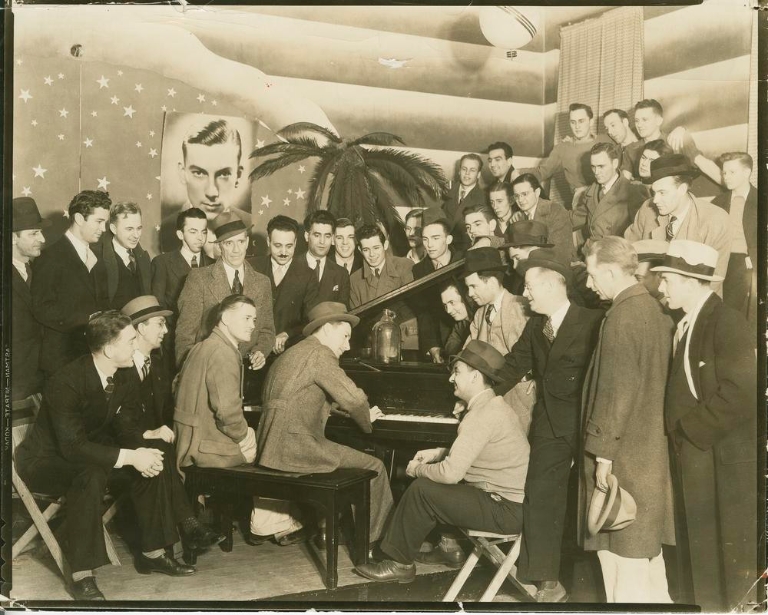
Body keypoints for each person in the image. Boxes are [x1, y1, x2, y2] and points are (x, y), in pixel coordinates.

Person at [15, 311, 221, 600]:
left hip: (88, 453)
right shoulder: (66, 381)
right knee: (90, 473)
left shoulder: (122, 375)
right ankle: (82, 574)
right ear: (110, 349)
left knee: (153, 454)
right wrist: (129, 456)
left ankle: (153, 551)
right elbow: (72, 448)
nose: (135, 346)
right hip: (45, 462)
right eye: (131, 341)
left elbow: (124, 428)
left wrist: (143, 447)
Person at [354, 341, 530, 583]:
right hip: (510, 505)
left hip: (505, 510)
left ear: (475, 376)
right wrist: (439, 452)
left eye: (457, 371)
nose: (451, 379)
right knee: (434, 486)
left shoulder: (481, 415)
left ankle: (399, 564)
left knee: (422, 490)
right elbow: (479, 454)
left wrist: (418, 469)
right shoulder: (494, 406)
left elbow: (449, 475)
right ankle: (446, 548)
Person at [653, 240, 757, 611]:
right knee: (700, 557)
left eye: (665, 279)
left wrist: (687, 431)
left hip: (719, 463)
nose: (660, 287)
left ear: (691, 280)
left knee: (724, 561)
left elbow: (742, 393)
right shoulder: (684, 323)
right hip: (696, 459)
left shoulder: (727, 321)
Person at [495, 250, 603, 603]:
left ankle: (595, 581)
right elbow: (511, 366)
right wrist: (477, 394)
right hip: (550, 425)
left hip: (586, 423)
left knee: (590, 500)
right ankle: (547, 581)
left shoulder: (593, 321)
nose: (525, 295)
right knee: (540, 494)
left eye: (529, 287)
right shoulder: (534, 327)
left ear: (553, 285)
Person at [579, 237, 675, 603]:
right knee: (649, 565)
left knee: (621, 565)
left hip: (623, 460)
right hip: (647, 455)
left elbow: (616, 393)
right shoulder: (652, 310)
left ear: (607, 271)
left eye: (591, 275)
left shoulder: (621, 316)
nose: (590, 284)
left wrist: (603, 457)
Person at [255, 302, 394, 547]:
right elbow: (355, 398)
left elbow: (298, 396)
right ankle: (377, 544)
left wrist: (341, 411)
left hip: (270, 444)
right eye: (345, 336)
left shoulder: (294, 351)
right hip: (295, 446)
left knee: (343, 456)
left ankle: (334, 529)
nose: (348, 345)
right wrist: (366, 423)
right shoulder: (321, 353)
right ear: (328, 329)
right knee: (375, 467)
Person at [174, 295, 305, 546]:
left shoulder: (202, 346)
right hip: (203, 449)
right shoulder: (223, 353)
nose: (253, 325)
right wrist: (245, 436)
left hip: (189, 440)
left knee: (259, 438)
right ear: (224, 318)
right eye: (246, 318)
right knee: (272, 448)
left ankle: (274, 521)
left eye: (254, 319)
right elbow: (226, 412)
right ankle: (268, 523)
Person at [175, 211, 275, 367]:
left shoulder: (263, 282)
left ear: (247, 242)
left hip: (249, 373)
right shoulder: (199, 279)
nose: (236, 250)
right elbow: (185, 336)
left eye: (240, 242)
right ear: (219, 246)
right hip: (209, 368)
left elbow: (267, 331)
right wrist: (189, 373)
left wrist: (260, 352)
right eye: (229, 243)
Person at [624, 154, 731, 295]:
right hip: (647, 297)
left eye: (662, 193)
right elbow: (626, 256)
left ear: (682, 189)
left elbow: (712, 282)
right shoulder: (647, 209)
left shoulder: (715, 220)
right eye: (654, 192)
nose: (655, 200)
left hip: (692, 304)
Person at [32, 190, 110, 376]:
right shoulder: (51, 257)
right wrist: (87, 320)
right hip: (61, 360)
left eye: (105, 222)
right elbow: (41, 308)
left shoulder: (96, 258)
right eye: (99, 221)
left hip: (90, 357)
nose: (104, 228)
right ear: (79, 219)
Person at [462, 248, 534, 434]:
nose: (469, 293)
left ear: (492, 281)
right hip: (489, 402)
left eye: (473, 286)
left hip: (520, 400)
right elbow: (467, 356)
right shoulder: (479, 315)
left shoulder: (521, 307)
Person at [160, 118, 253, 253]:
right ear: (182, 173)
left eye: (223, 174)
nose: (212, 192)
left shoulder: (251, 226)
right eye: (199, 173)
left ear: (238, 175)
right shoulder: (164, 231)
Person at [250, 215, 319, 354]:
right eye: (278, 246)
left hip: (288, 351)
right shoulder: (252, 267)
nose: (283, 252)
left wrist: (287, 334)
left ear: (295, 242)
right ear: (269, 241)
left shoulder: (308, 275)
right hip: (252, 349)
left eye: (289, 246)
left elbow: (310, 319)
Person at [522, 103, 605, 206]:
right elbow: (542, 172)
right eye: (573, 122)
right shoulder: (562, 148)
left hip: (609, 197)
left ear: (591, 121)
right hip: (583, 202)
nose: (577, 126)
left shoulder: (605, 140)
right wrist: (517, 172)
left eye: (581, 121)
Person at [620, 99, 720, 185]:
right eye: (637, 120)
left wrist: (731, 185)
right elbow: (624, 182)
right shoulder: (631, 149)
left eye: (644, 120)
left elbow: (704, 164)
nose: (639, 125)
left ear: (659, 121)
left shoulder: (676, 139)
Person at [570, 143, 646, 247]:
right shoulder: (590, 193)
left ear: (615, 163)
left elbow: (638, 234)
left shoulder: (632, 191)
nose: (596, 172)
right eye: (593, 167)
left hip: (614, 255)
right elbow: (574, 219)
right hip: (590, 251)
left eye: (601, 166)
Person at [412, 208, 462, 363]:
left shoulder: (463, 261)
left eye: (435, 238)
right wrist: (432, 346)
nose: (429, 245)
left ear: (448, 239)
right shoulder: (419, 270)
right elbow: (423, 312)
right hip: (437, 342)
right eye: (425, 239)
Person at [11, 197, 49, 401]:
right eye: (34, 233)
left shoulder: (37, 271)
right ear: (12, 238)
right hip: (14, 384)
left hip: (39, 381)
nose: (42, 239)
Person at [712, 152, 757, 321]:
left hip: (747, 262)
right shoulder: (718, 202)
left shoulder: (761, 200)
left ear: (747, 173)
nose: (726, 177)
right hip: (721, 259)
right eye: (724, 173)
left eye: (732, 172)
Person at [120, 295, 175, 430]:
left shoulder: (158, 366)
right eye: (160, 324)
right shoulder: (118, 368)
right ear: (141, 328)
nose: (166, 330)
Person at [151, 207, 214, 312]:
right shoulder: (162, 263)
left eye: (203, 232)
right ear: (180, 235)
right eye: (193, 232)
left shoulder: (213, 264)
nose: (200, 238)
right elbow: (158, 306)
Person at [93, 201, 152, 310]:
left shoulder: (144, 258)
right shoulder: (96, 258)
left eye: (139, 228)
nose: (136, 235)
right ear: (113, 229)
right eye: (129, 229)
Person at [510, 173, 574, 265]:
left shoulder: (555, 211)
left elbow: (560, 252)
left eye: (524, 194)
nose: (520, 200)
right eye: (517, 196)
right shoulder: (518, 217)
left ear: (537, 192)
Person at [349, 225, 414, 308]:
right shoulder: (354, 280)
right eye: (366, 250)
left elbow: (413, 307)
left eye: (376, 248)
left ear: (385, 245)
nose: (371, 254)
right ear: (360, 250)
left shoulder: (404, 266)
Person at [298, 210, 350, 306]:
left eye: (327, 236)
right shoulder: (290, 266)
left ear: (333, 238)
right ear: (306, 236)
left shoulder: (341, 274)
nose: (322, 241)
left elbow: (343, 312)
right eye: (317, 235)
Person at [442, 153, 486, 252]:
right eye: (464, 169)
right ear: (459, 171)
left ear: (478, 174)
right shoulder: (446, 192)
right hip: (445, 249)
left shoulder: (483, 199)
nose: (467, 173)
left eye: (472, 170)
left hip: (467, 251)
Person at [500, 220, 554, 296]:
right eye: (513, 261)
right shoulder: (518, 282)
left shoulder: (556, 279)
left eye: (517, 258)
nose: (514, 267)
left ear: (535, 250)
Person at [440, 281, 474, 358]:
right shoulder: (460, 324)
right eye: (445, 305)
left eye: (452, 302)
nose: (448, 311)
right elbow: (449, 351)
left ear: (467, 299)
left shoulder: (481, 319)